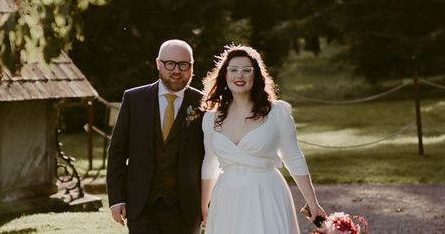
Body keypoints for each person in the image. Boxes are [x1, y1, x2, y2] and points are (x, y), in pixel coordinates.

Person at [200, 45, 326, 233]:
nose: (239, 75)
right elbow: (209, 164)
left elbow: (293, 158)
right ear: (225, 76)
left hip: (267, 193)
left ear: (256, 76)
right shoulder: (210, 119)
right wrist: (204, 206)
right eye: (233, 70)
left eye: (246, 70)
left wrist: (313, 203)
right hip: (227, 196)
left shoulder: (277, 113)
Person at [107, 39, 205, 233]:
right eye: (170, 64)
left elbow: (211, 158)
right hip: (141, 207)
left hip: (186, 209)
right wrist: (117, 198)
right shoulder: (134, 99)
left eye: (183, 65)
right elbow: (117, 152)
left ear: (191, 67)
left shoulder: (204, 103)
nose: (176, 70)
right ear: (158, 64)